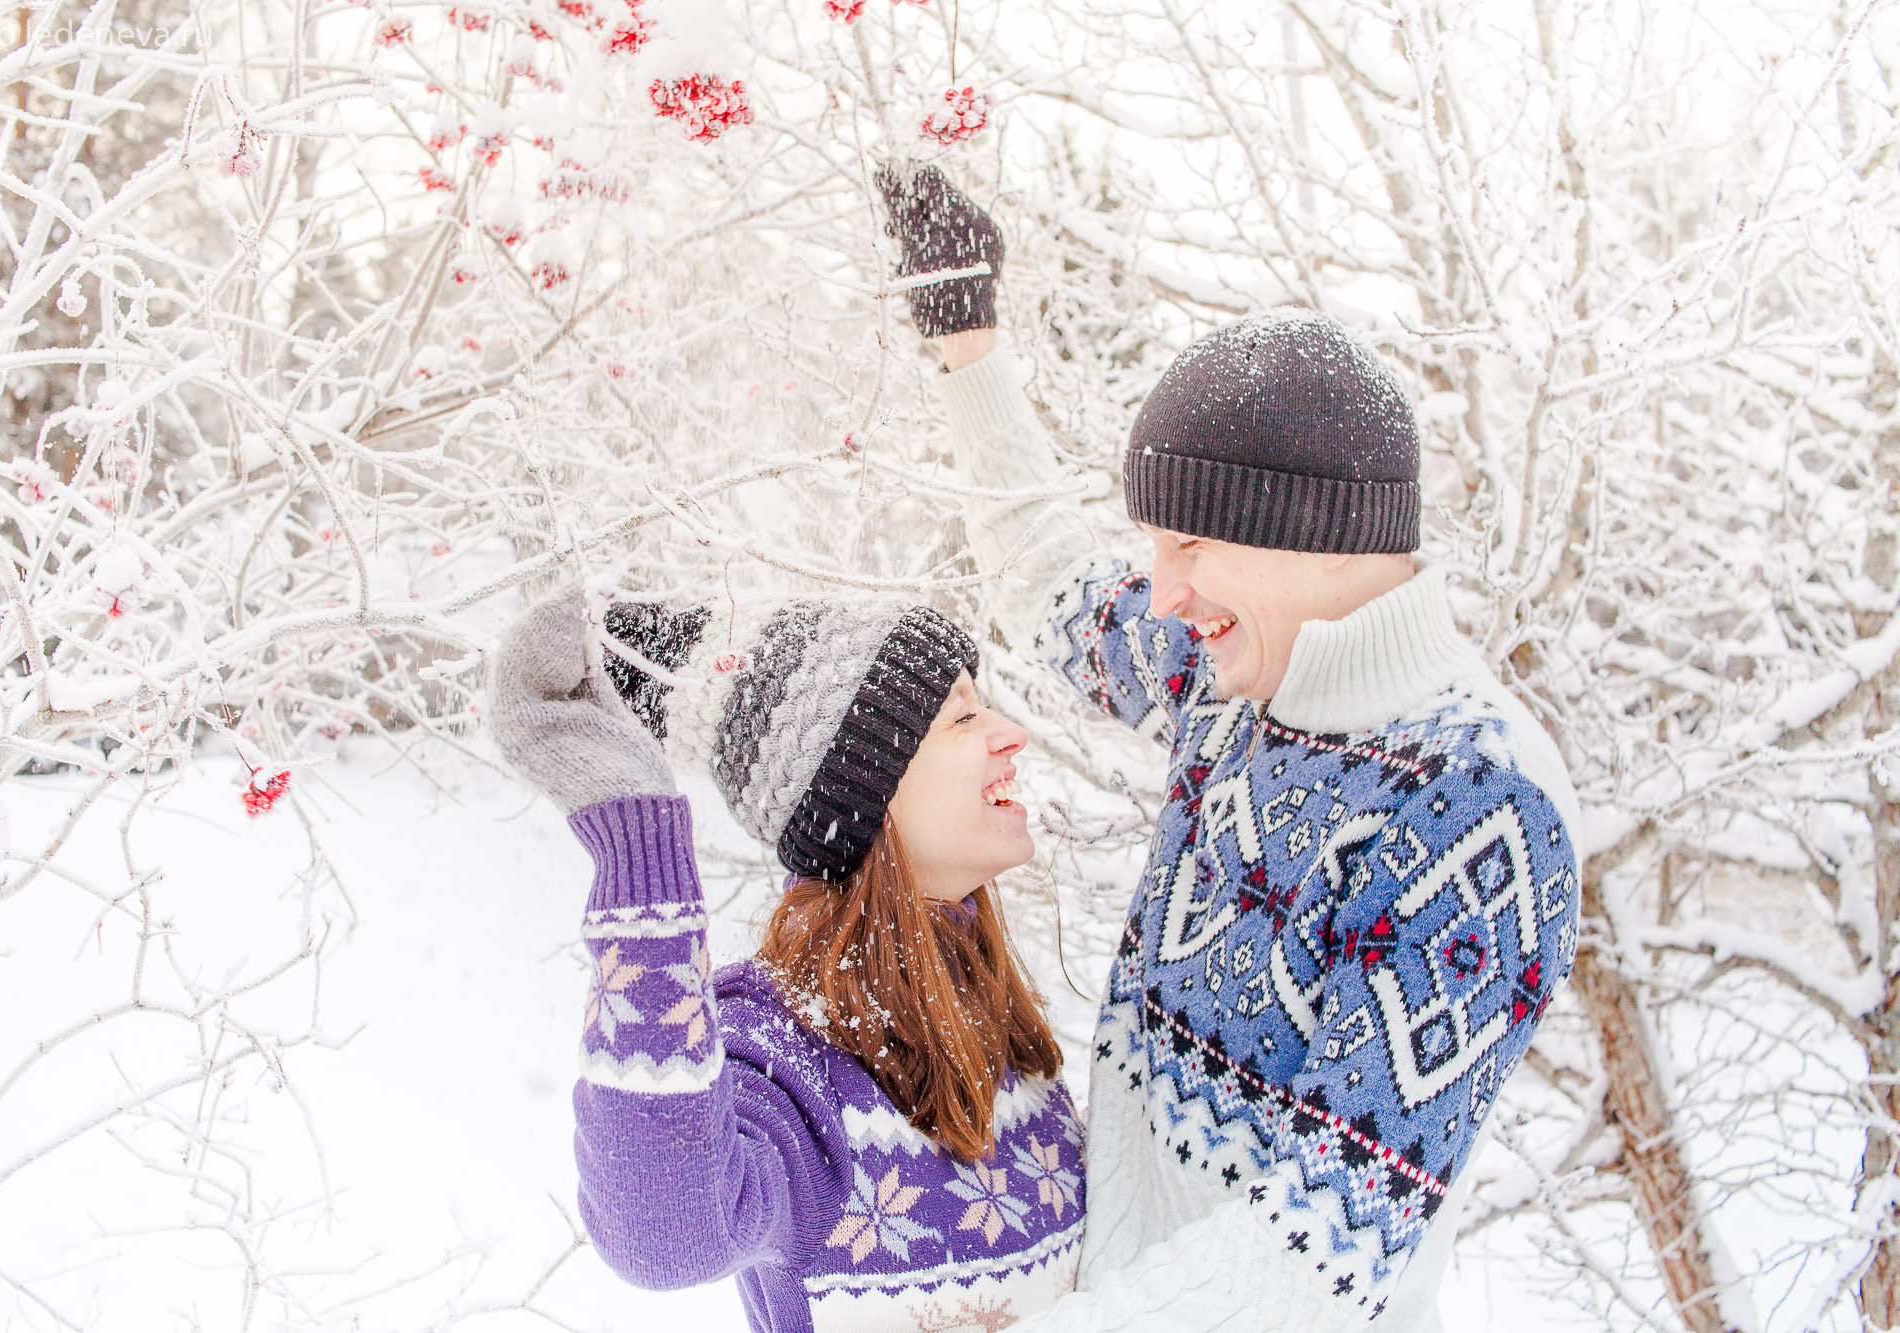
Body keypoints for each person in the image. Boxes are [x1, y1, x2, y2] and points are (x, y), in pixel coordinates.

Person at [875, 164, 1584, 1330]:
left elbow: (1304, 1258)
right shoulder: (1231, 678)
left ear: (1312, 534)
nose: (1161, 594)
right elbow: (1045, 572)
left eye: (1188, 542)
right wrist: (968, 343)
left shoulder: (1478, 810)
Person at [491, 587, 1087, 1333]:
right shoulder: (790, 1060)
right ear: (866, 791)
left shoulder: (995, 1021)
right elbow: (666, 1234)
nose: (1010, 733)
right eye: (963, 716)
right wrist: (637, 841)